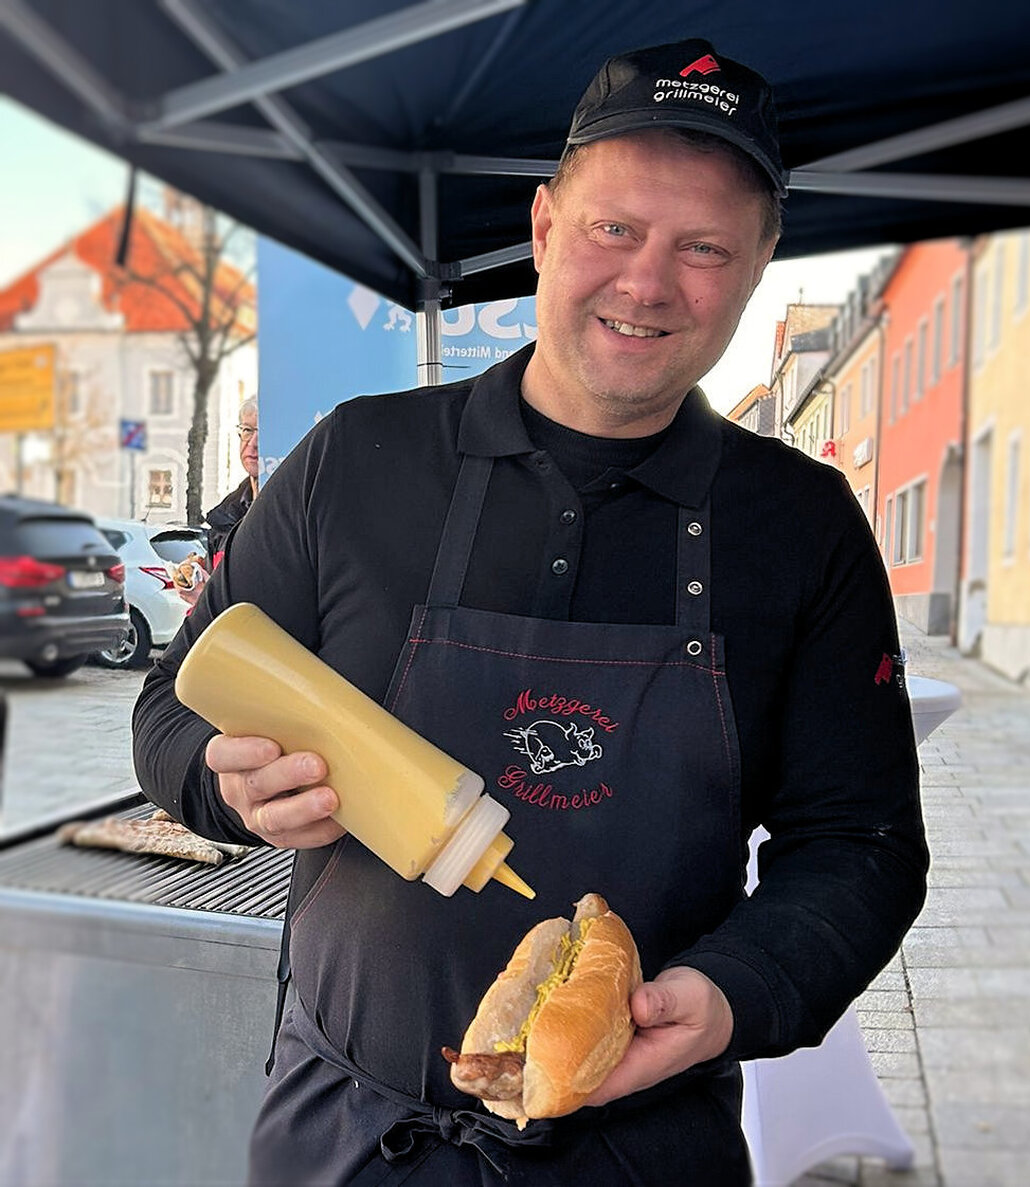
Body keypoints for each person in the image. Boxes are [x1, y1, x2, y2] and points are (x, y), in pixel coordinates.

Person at [133, 38, 927, 1187]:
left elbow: (862, 844)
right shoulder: (355, 461)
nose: (648, 283)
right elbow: (170, 704)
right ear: (545, 227)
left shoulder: (798, 524)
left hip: (642, 1149)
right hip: (348, 1135)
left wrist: (725, 994)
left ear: (757, 267)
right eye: (615, 229)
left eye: (702, 248)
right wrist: (221, 778)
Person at [178, 397, 259, 609]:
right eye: (247, 430)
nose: (253, 443)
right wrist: (197, 574)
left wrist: (208, 601)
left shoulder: (292, 511)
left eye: (264, 433)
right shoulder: (226, 515)